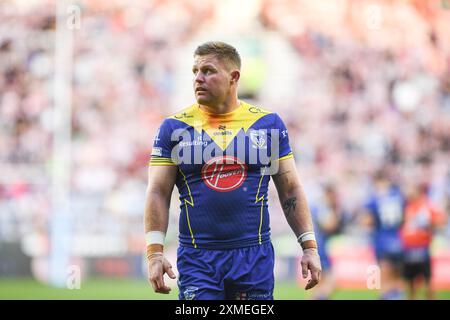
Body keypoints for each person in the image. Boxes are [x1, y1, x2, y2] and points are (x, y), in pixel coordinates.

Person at [143, 41, 321, 300]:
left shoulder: (267, 124)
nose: (198, 78)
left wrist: (309, 247)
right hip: (198, 259)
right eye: (195, 71)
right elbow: (157, 191)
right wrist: (154, 253)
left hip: (253, 257)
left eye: (208, 71)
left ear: (233, 77)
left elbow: (290, 189)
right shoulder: (174, 128)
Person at [360, 170, 405, 300]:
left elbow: (367, 221)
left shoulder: (374, 197)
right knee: (398, 278)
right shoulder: (398, 195)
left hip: (383, 241)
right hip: (398, 240)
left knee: (385, 279)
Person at [400, 182, 447, 300]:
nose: (408, 193)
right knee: (409, 283)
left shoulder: (428, 205)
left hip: (422, 248)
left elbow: (440, 222)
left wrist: (428, 226)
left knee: (428, 282)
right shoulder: (407, 205)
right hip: (408, 248)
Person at [309, 183, 344, 300]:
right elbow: (329, 226)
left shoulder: (318, 205)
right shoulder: (323, 207)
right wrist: (336, 213)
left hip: (316, 245)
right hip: (319, 246)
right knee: (330, 281)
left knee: (320, 282)